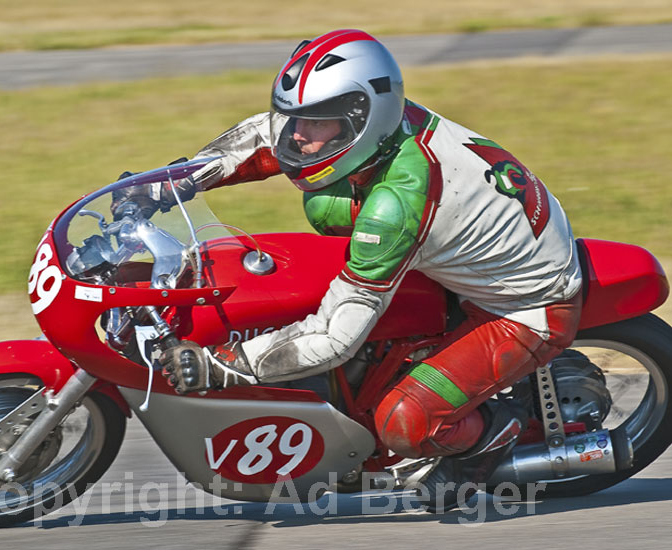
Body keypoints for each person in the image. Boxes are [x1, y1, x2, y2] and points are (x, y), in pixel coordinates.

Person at [114, 29, 582, 511]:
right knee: (323, 207)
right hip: (475, 247)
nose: (297, 134)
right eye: (295, 117)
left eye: (316, 123)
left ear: (362, 118)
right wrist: (173, 181)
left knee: (405, 423)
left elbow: (335, 340)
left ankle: (489, 439)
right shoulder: (384, 121)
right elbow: (263, 134)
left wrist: (226, 365)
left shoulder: (395, 203)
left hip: (525, 306)